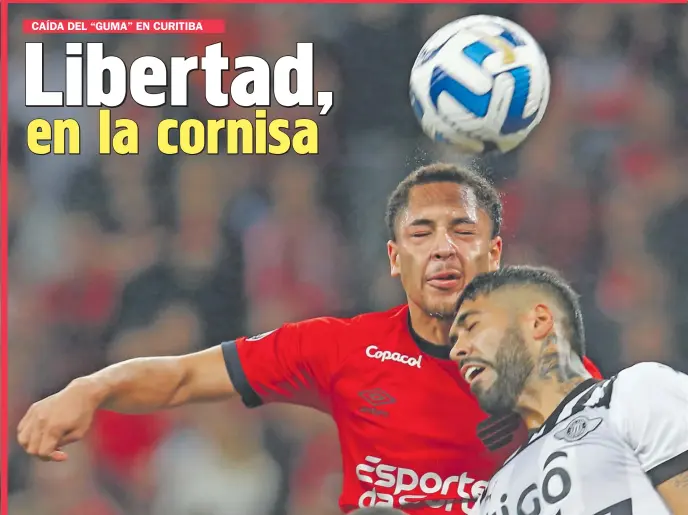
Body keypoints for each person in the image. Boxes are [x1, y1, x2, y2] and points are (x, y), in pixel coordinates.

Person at [17, 163, 602, 514]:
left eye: (464, 231)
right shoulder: (340, 348)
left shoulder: (553, 372)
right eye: (422, 233)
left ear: (494, 252)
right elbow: (184, 376)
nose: (444, 248)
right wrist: (90, 387)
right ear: (395, 260)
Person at [448, 265, 688, 514]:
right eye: (454, 340)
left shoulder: (636, 393)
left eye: (472, 326)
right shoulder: (491, 497)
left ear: (539, 322)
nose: (456, 351)